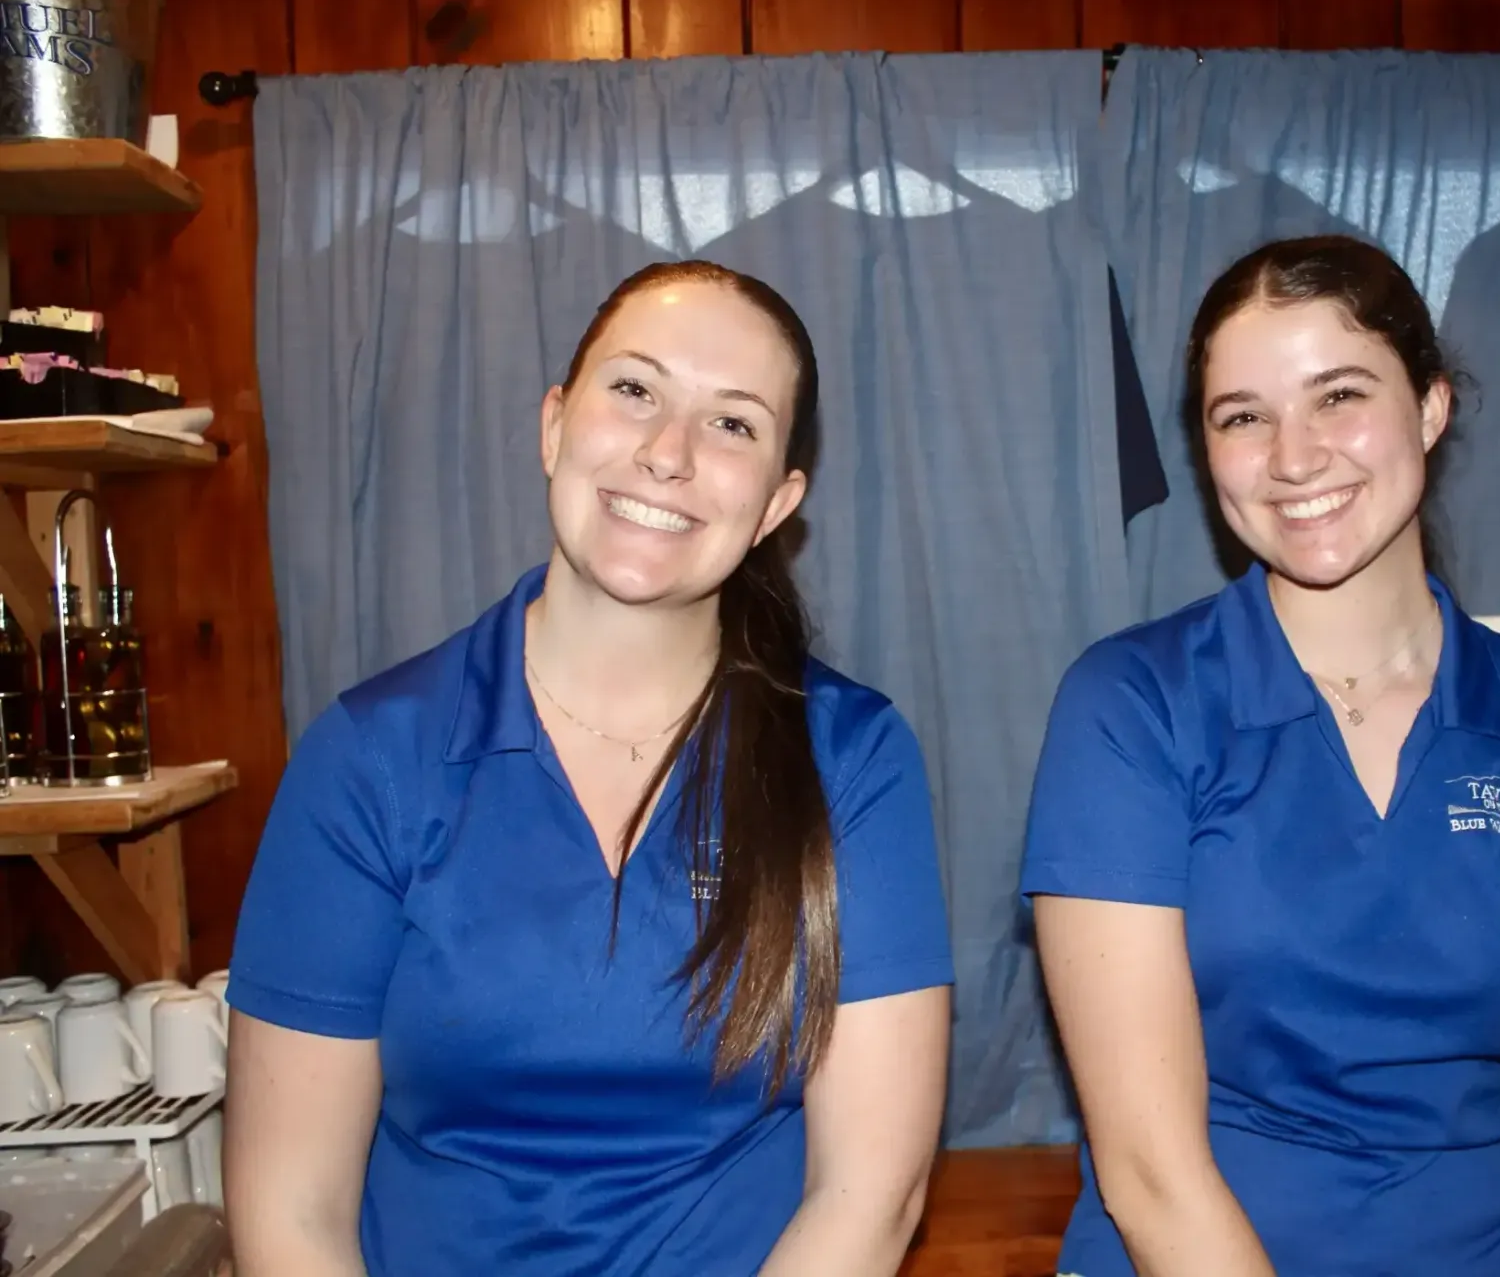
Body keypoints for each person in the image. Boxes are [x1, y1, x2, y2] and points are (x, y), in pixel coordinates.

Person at [223, 261, 955, 1276]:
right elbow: (290, 1210)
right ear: (554, 424)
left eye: (732, 423)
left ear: (777, 502)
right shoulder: (370, 758)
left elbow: (870, 1194)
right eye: (635, 390)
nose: (668, 453)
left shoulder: (852, 757)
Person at [1022, 235, 1500, 1277]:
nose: (1294, 456)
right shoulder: (1133, 706)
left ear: (1431, 408)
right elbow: (1150, 1171)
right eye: (1243, 416)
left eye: (1339, 396)